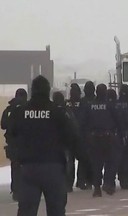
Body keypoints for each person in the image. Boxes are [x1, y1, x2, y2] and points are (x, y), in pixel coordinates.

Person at [10, 76, 80, 216]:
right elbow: (72, 136)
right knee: (56, 210)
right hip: (53, 167)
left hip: (28, 168)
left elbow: (12, 133)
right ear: (48, 91)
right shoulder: (57, 112)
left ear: (32, 91)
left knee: (26, 211)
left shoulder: (20, 112)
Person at [83, 84, 122, 197]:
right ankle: (107, 182)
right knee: (111, 161)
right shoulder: (110, 105)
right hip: (108, 137)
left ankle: (97, 188)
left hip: (94, 138)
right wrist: (120, 134)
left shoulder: (90, 106)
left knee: (96, 164)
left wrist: (86, 137)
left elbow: (83, 123)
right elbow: (118, 120)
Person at [1, 88, 27, 201]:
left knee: (15, 166)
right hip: (26, 143)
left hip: (12, 143)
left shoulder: (8, 109)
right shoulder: (28, 108)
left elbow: (3, 125)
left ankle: (16, 190)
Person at [77, 81, 95, 190]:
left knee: (92, 159)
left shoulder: (96, 101)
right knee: (84, 158)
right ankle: (81, 180)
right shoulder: (82, 102)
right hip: (85, 134)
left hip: (93, 133)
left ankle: (89, 179)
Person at [65, 83, 82, 192]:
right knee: (80, 160)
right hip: (77, 136)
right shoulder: (83, 103)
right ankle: (80, 181)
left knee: (70, 161)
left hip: (70, 136)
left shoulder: (66, 104)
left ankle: (71, 183)